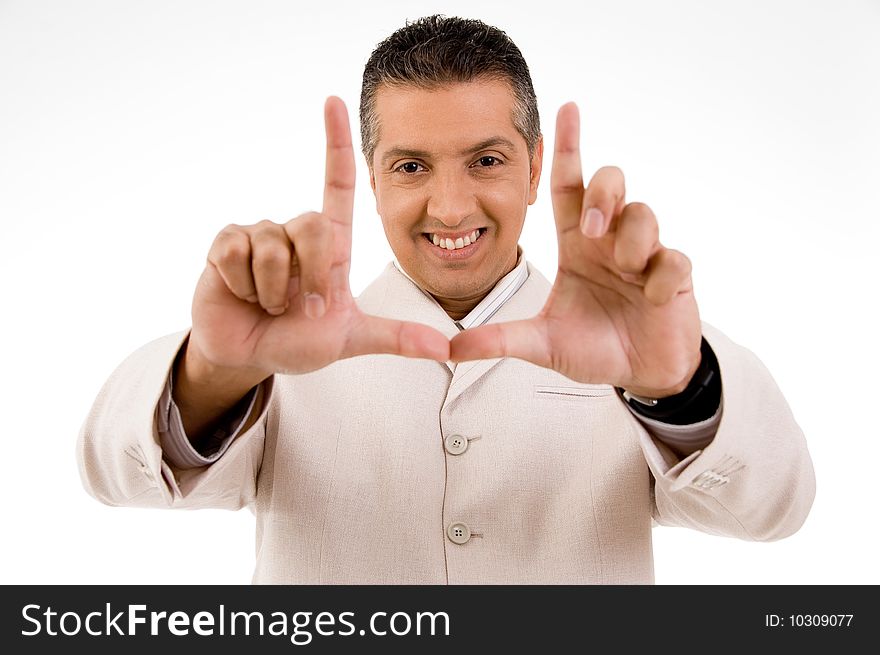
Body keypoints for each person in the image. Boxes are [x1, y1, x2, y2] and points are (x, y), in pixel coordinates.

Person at [77, 15, 815, 584]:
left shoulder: (638, 343)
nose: (452, 207)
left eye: (487, 161)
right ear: (373, 180)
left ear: (532, 174)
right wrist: (213, 371)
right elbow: (113, 475)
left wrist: (677, 391)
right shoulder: (285, 347)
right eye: (411, 165)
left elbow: (776, 508)